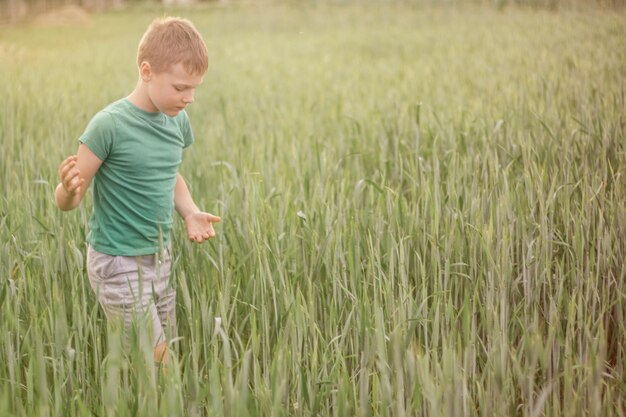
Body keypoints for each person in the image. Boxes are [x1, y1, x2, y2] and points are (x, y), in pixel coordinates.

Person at [54, 16, 220, 366]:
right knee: (159, 360)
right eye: (180, 88)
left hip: (159, 257)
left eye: (195, 88)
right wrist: (69, 190)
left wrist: (189, 212)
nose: (189, 98)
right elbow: (67, 200)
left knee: (163, 347)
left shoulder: (177, 120)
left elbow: (169, 173)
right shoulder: (109, 125)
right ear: (146, 71)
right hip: (118, 260)